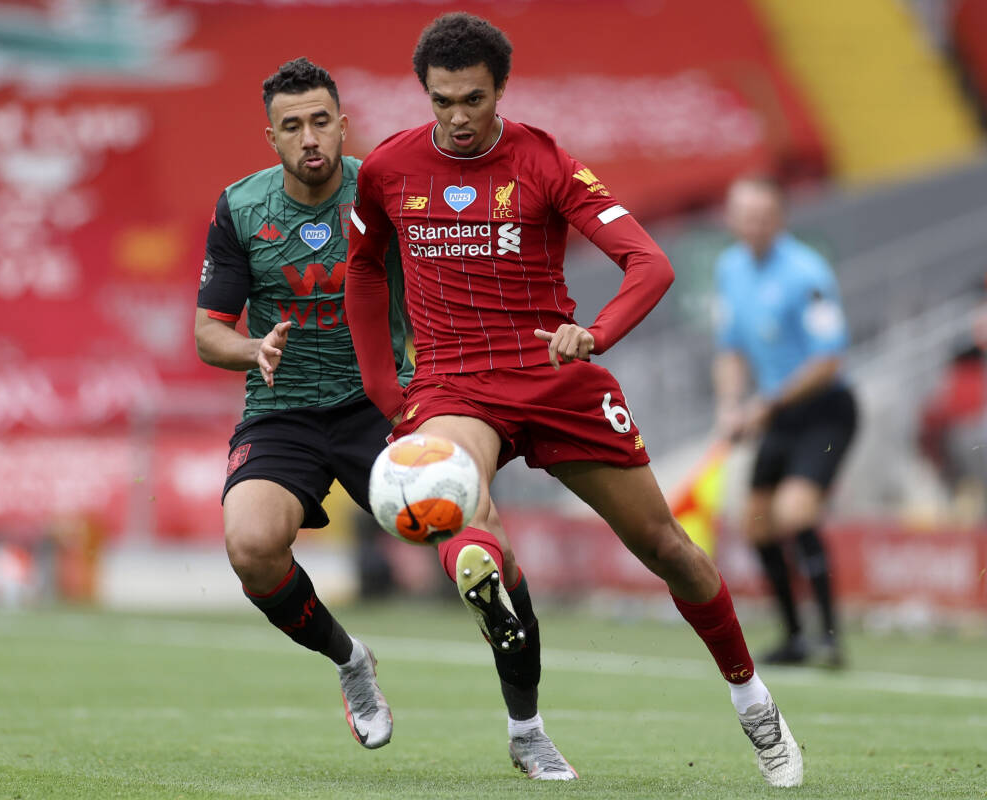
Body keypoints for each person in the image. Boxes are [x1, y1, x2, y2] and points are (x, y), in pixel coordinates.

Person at [344, 13, 803, 788]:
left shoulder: (547, 162)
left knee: (667, 548)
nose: (457, 117)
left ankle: (754, 702)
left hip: (555, 375)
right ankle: (520, 706)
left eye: (473, 100)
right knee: (453, 499)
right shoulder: (387, 169)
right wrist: (386, 390)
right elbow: (362, 270)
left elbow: (648, 265)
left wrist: (593, 335)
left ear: (501, 90)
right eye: (442, 100)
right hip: (455, 381)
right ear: (426, 93)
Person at [195, 59, 570, 773]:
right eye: (292, 126)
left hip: (387, 403)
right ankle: (351, 659)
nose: (310, 137)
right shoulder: (240, 207)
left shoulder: (391, 188)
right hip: (283, 410)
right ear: (271, 137)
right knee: (249, 546)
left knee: (485, 539)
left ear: (342, 122)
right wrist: (251, 349)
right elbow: (208, 329)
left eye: (321, 120)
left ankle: (527, 729)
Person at [712, 176, 858, 670]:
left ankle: (830, 638)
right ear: (731, 220)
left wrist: (765, 404)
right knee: (755, 526)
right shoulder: (729, 268)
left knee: (794, 515)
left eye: (763, 217)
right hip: (775, 412)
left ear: (779, 220)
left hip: (824, 409)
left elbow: (828, 359)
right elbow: (730, 347)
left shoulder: (806, 272)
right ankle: (795, 637)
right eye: (745, 217)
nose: (753, 226)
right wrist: (731, 403)